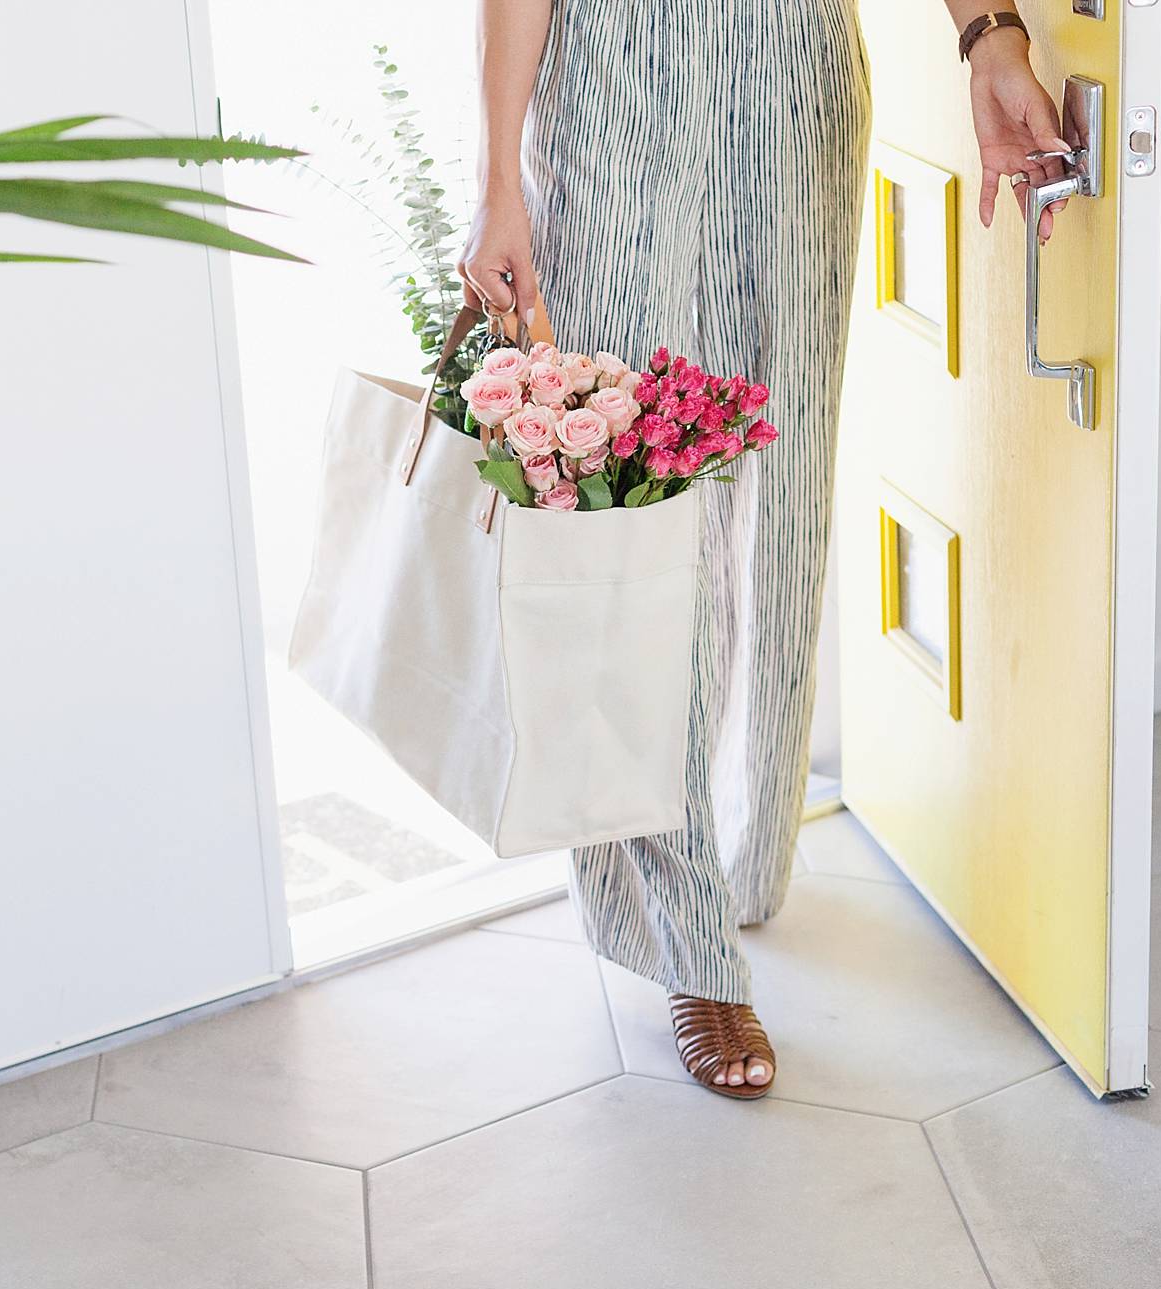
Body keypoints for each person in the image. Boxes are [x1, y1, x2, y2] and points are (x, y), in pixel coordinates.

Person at [458, 0, 1072, 1098]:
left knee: (781, 487)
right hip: (620, 81)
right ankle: (684, 935)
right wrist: (498, 176)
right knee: (637, 501)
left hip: (797, 76)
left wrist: (990, 35)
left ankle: (747, 844)